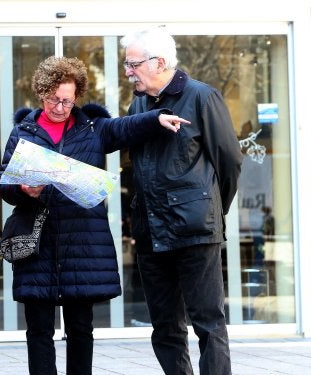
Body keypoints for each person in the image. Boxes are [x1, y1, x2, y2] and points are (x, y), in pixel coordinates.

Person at [0, 55, 189, 375]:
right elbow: (5, 184)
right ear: (41, 94)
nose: (60, 107)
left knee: (80, 330)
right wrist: (23, 191)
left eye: (67, 101)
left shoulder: (92, 129)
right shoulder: (23, 132)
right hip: (38, 244)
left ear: (77, 98)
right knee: (39, 330)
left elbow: (124, 128)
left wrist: (157, 118)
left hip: (81, 244)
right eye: (53, 100)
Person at [119, 27, 243, 375]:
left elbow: (229, 161)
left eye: (133, 64)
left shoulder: (202, 97)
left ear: (159, 62)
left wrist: (211, 210)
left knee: (208, 323)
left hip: (195, 230)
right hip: (150, 232)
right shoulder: (138, 104)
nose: (128, 71)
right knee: (165, 326)